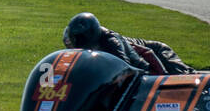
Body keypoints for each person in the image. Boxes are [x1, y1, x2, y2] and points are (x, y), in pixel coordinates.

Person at [63, 12, 195, 75]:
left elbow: (124, 68)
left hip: (157, 52)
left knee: (182, 76)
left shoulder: (111, 42)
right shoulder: (71, 37)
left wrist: (162, 76)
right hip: (142, 54)